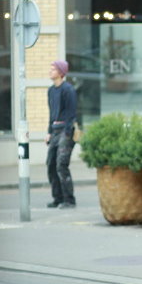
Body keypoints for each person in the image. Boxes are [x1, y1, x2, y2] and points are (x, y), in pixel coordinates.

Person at [46, 60, 77, 209]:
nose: (50, 71)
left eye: (53, 69)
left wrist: (66, 134)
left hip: (66, 131)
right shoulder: (51, 91)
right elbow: (51, 114)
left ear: (61, 72)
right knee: (51, 164)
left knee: (61, 165)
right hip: (55, 130)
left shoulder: (68, 90)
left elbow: (71, 114)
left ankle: (69, 200)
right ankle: (57, 198)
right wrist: (49, 132)